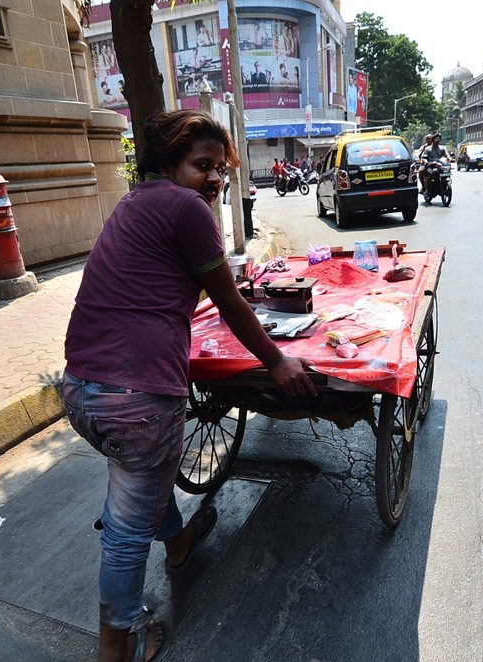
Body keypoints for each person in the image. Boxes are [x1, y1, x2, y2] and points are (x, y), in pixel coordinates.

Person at [63, 110, 316, 662]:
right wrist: (277, 361)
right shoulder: (186, 209)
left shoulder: (134, 204)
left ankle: (179, 544)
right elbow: (228, 302)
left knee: (139, 479)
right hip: (138, 397)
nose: (215, 180)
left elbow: (162, 285)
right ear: (168, 164)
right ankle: (117, 646)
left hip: (80, 389)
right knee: (127, 526)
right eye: (203, 166)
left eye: (221, 170)